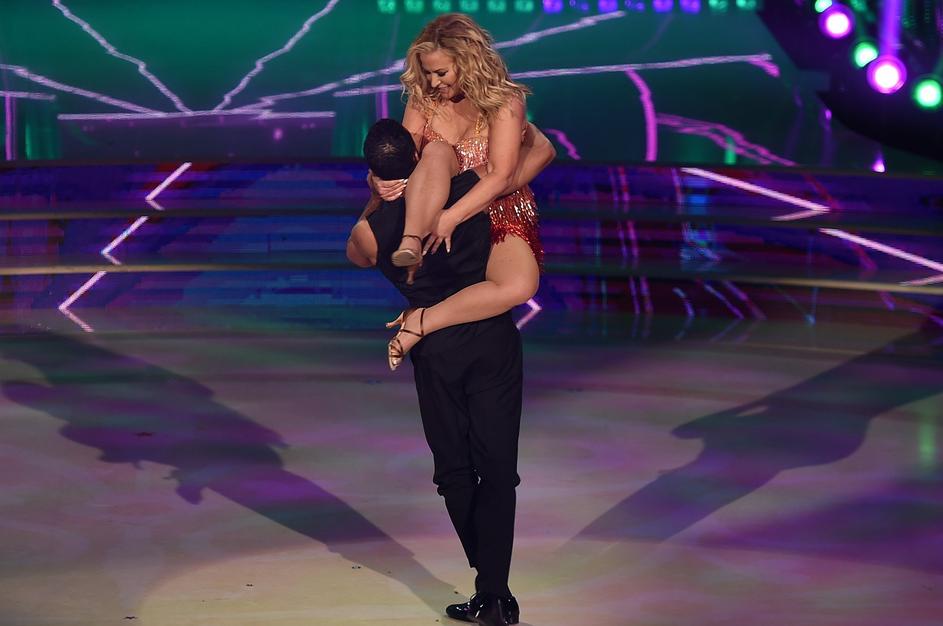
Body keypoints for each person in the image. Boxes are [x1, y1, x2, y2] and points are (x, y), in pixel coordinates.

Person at [348, 118, 550, 625]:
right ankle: (495, 593)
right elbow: (529, 156)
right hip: (491, 339)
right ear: (417, 160)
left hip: (437, 353)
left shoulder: (369, 235)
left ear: (373, 171)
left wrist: (376, 198)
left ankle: (491, 586)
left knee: (455, 472)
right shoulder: (469, 195)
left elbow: (357, 254)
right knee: (498, 470)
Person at [367, 13, 546, 369]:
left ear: (469, 62)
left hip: (493, 208)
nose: (433, 82)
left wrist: (452, 217)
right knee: (436, 151)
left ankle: (421, 322)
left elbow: (501, 175)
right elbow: (402, 160)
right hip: (431, 206)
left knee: (521, 285)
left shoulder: (506, 102)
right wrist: (376, 181)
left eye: (441, 72)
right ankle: (411, 241)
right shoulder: (423, 99)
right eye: (427, 73)